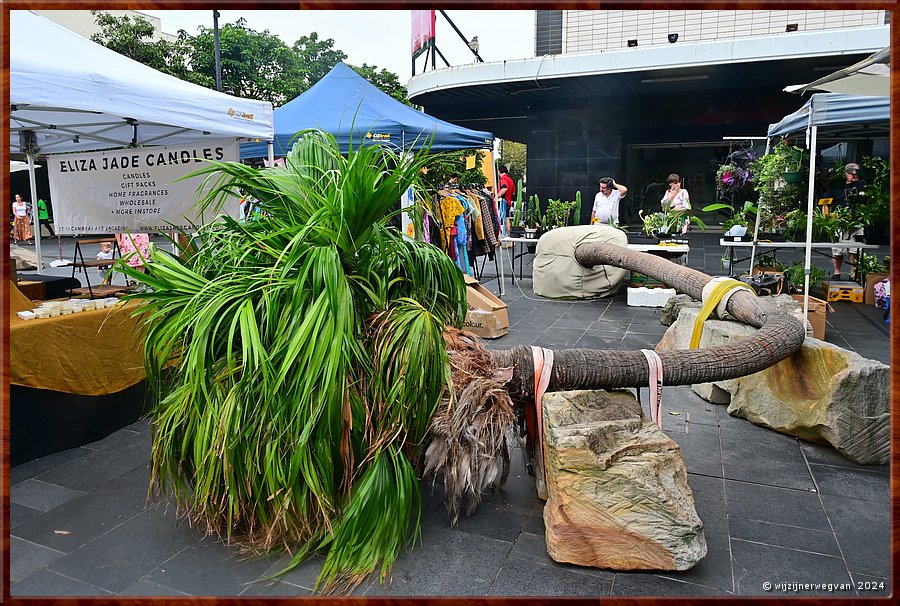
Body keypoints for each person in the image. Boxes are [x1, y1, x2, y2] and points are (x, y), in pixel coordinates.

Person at [827, 162, 867, 280]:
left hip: (857, 222)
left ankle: (853, 273)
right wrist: (828, 219)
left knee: (854, 249)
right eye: (851, 173)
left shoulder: (862, 185)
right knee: (838, 250)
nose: (854, 175)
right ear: (845, 174)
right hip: (839, 222)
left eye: (856, 173)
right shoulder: (836, 186)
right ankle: (837, 273)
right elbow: (826, 203)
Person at [497, 166, 516, 237]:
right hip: (509, 201)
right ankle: (509, 235)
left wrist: (497, 196)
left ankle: (505, 236)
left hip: (504, 201)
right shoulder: (510, 180)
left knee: (502, 219)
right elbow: (513, 192)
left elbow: (504, 188)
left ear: (499, 171)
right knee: (507, 218)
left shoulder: (503, 179)